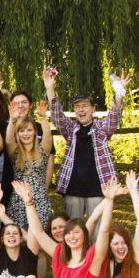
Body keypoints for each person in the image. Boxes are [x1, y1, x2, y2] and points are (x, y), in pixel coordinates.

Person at [18, 178, 116, 278]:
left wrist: (109, 200)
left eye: (76, 232)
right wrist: (28, 203)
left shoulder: (93, 258)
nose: (72, 236)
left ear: (85, 235)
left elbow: (104, 231)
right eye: (68, 233)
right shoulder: (61, 255)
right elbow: (39, 232)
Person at [43, 66, 128, 219]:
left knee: (97, 230)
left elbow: (114, 115)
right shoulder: (70, 129)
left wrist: (119, 93)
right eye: (77, 107)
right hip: (73, 188)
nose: (81, 110)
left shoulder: (102, 129)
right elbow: (56, 114)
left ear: (93, 109)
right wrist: (50, 88)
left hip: (97, 188)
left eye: (84, 106)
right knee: (73, 228)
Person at [5, 101, 54, 231]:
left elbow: (48, 137)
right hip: (19, 200)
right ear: (17, 133)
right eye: (22, 131)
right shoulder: (15, 151)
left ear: (35, 132)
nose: (26, 134)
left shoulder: (42, 150)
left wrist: (43, 118)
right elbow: (9, 139)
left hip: (40, 199)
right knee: (19, 235)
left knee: (40, 234)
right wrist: (12, 120)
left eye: (29, 130)